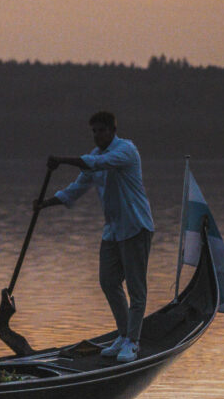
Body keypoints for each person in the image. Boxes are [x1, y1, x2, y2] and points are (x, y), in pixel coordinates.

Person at [37, 111, 154, 363]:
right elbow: (77, 187)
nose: (97, 135)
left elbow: (95, 164)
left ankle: (133, 342)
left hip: (136, 226)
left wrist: (62, 160)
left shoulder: (126, 151)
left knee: (136, 289)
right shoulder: (95, 155)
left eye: (101, 130)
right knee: (109, 282)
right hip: (113, 230)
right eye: (94, 131)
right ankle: (123, 334)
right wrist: (46, 203)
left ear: (112, 131)